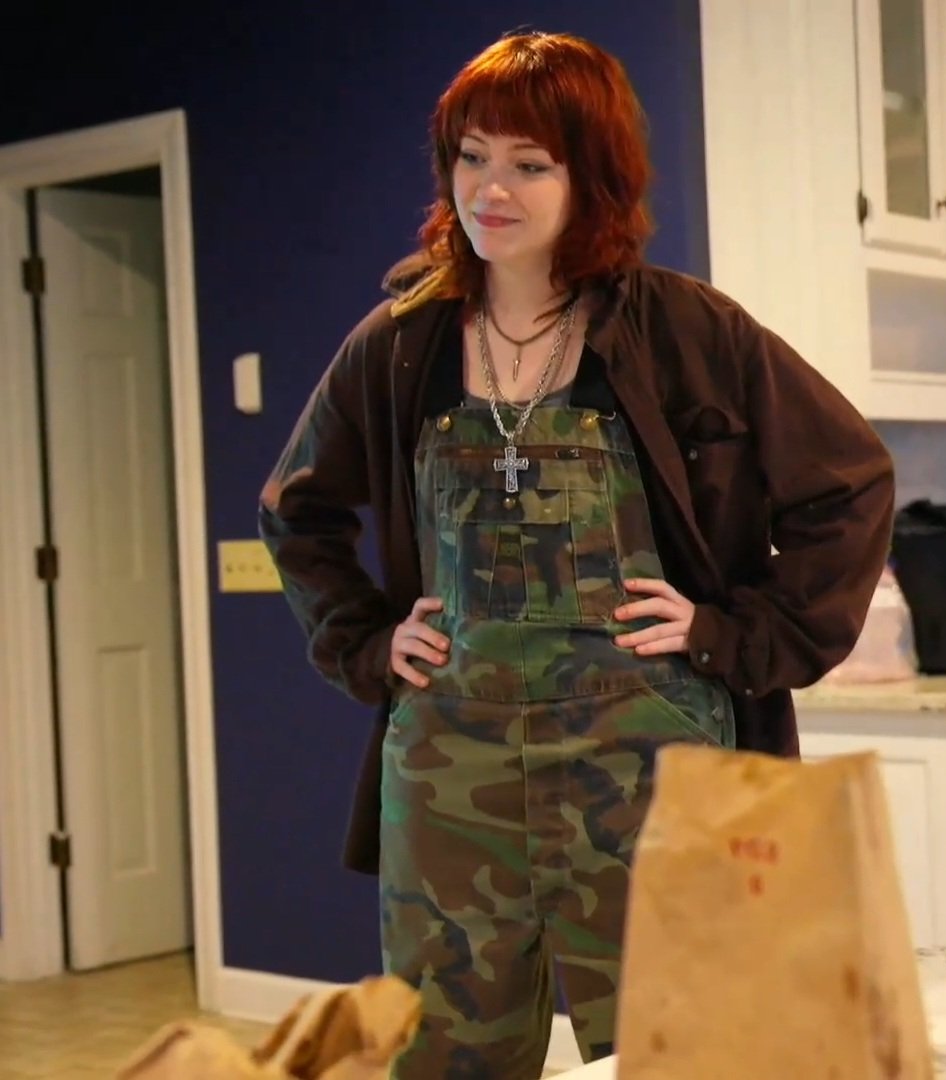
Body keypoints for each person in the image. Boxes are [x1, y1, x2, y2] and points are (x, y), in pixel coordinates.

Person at [259, 29, 894, 1080]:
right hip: (450, 774)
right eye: (471, 157)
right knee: (443, 1057)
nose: (489, 190)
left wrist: (742, 634)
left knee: (684, 1053)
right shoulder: (402, 343)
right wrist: (366, 644)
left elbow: (849, 482)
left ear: (590, 176)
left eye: (529, 164)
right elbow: (299, 511)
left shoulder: (684, 330)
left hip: (652, 765)